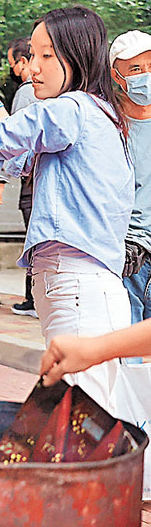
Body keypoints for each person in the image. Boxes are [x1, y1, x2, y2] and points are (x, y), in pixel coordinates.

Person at [0, 6, 133, 412]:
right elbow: (20, 153)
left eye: (46, 55)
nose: (33, 67)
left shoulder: (71, 109)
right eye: (32, 55)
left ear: (77, 54)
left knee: (79, 416)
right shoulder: (96, 113)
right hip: (83, 285)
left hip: (76, 285)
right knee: (90, 414)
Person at [0, 37, 40, 318]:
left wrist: (0, 179)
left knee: (35, 239)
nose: (14, 72)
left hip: (32, 179)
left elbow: (16, 139)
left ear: (23, 61)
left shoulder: (28, 91)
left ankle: (34, 300)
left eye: (13, 65)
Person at [112, 31, 151, 327]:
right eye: (135, 69)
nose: (146, 76)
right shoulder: (107, 123)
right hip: (127, 255)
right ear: (117, 76)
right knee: (126, 348)